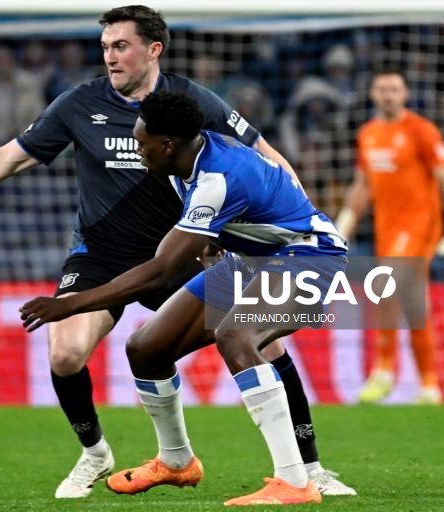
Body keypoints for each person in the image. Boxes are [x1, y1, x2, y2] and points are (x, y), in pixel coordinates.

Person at [0, 5, 355, 498]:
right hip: (105, 255)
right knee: (99, 351)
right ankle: (129, 456)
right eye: (105, 47)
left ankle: (304, 471)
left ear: (154, 50)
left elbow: (264, 158)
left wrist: (296, 221)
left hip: (181, 253)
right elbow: (7, 158)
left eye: (121, 46)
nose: (110, 57)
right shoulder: (78, 105)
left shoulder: (194, 112)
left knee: (254, 339)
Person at [20, 90, 347, 505]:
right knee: (146, 348)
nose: (139, 152)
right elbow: (219, 231)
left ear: (168, 145)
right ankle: (176, 461)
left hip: (311, 257)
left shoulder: (215, 178)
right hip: (251, 261)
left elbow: (161, 270)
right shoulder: (187, 160)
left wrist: (68, 303)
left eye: (142, 143)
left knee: (236, 335)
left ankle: (295, 482)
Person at [336, 67, 444, 404]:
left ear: (405, 94)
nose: (388, 95)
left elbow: (441, 178)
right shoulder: (368, 134)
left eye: (394, 89)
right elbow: (363, 186)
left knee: (386, 283)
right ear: (372, 94)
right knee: (414, 304)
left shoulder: (421, 130)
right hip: (388, 229)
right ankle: (429, 385)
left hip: (421, 225)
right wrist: (342, 228)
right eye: (382, 89)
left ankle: (384, 369)